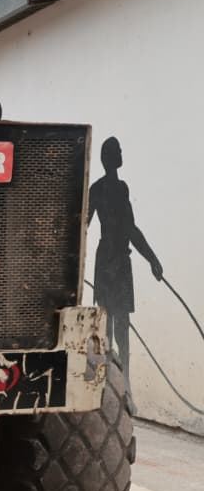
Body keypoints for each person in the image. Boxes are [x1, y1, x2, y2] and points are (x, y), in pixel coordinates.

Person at [88, 135, 162, 408]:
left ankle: (125, 386)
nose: (120, 153)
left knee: (122, 328)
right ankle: (108, 385)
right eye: (116, 150)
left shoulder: (122, 189)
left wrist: (152, 258)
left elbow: (131, 229)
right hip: (109, 261)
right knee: (108, 325)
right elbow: (82, 223)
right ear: (108, 157)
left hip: (120, 260)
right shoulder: (98, 190)